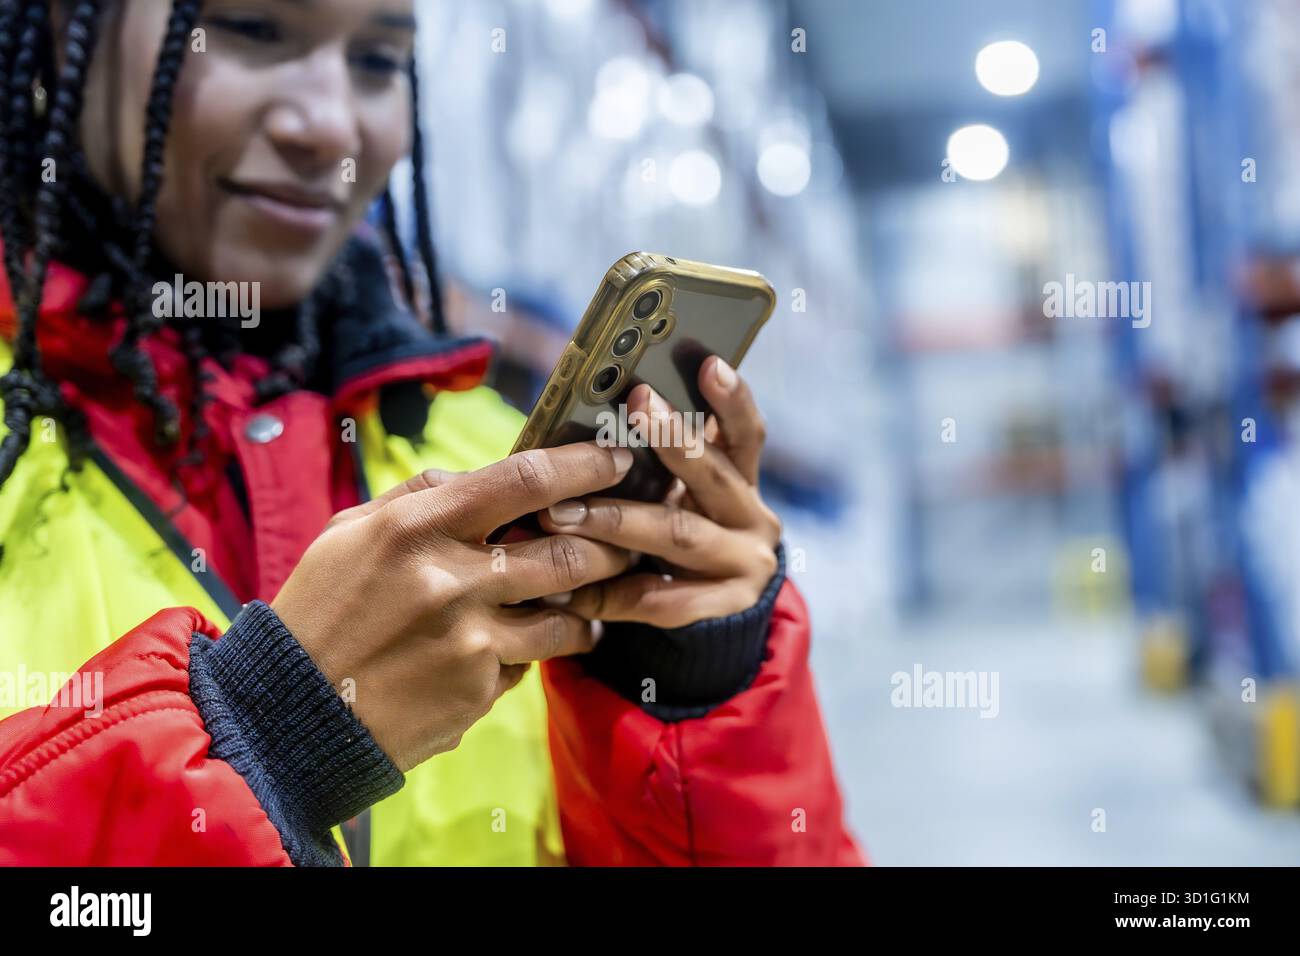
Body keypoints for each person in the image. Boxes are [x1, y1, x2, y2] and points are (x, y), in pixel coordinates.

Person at [0, 0, 864, 867]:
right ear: (60, 28)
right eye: (251, 30)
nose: (333, 126)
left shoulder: (496, 462)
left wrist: (697, 700)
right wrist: (257, 748)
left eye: (378, 61)